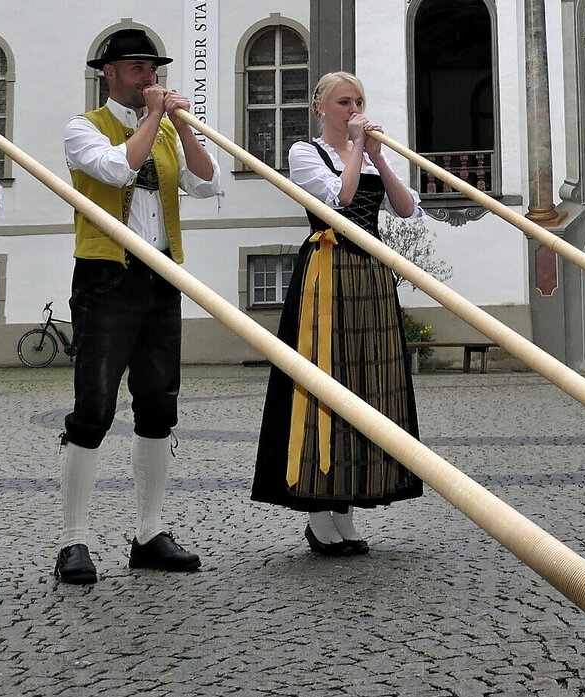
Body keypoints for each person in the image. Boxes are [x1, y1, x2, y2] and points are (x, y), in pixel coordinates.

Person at [52, 28, 219, 584]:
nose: (149, 76)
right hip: (106, 274)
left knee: (157, 403)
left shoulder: (169, 129)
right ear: (110, 73)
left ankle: (149, 532)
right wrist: (154, 119)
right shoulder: (84, 128)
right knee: (94, 407)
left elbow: (205, 185)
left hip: (162, 273)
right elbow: (117, 170)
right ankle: (73, 540)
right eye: (136, 68)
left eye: (153, 68)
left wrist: (185, 128)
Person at [252, 72, 424, 556]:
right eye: (344, 101)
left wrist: (379, 156)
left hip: (369, 275)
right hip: (328, 274)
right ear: (320, 107)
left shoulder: (364, 154)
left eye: (359, 101)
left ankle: (346, 506)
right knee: (324, 382)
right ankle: (316, 511)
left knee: (366, 384)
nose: (354, 109)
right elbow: (340, 201)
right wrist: (355, 149)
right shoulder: (304, 152)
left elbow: (406, 208)